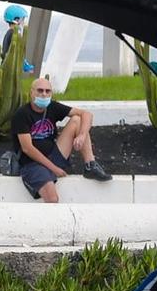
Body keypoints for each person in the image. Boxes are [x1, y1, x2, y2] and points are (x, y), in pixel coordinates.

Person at [12, 74, 111, 202]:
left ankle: (90, 165)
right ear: (31, 93)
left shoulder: (52, 107)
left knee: (77, 120)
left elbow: (87, 114)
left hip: (54, 155)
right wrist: (54, 168)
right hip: (32, 164)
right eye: (40, 90)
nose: (44, 94)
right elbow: (27, 149)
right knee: (52, 199)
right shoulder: (22, 114)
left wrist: (82, 135)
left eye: (47, 91)